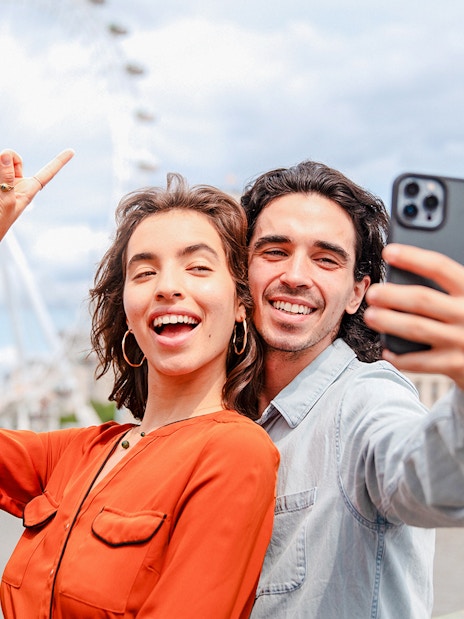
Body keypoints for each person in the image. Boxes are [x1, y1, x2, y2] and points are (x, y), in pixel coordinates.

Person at [0, 149, 280, 618]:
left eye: (198, 267)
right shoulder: (77, 454)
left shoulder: (234, 452)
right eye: (144, 272)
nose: (166, 286)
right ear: (127, 313)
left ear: (240, 305)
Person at [241, 160, 464, 619]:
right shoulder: (226, 418)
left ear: (356, 293)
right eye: (275, 251)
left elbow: (433, 481)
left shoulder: (368, 398)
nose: (297, 276)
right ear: (242, 271)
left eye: (326, 259)